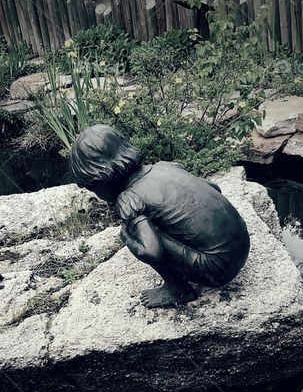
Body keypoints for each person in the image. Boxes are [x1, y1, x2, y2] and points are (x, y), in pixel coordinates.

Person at [69, 124, 250, 308]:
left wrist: (127, 237)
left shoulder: (129, 198)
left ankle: (178, 290)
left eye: (93, 188)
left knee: (139, 232)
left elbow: (152, 252)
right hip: (242, 245)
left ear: (103, 179)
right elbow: (214, 188)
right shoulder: (164, 167)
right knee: (161, 221)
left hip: (218, 269)